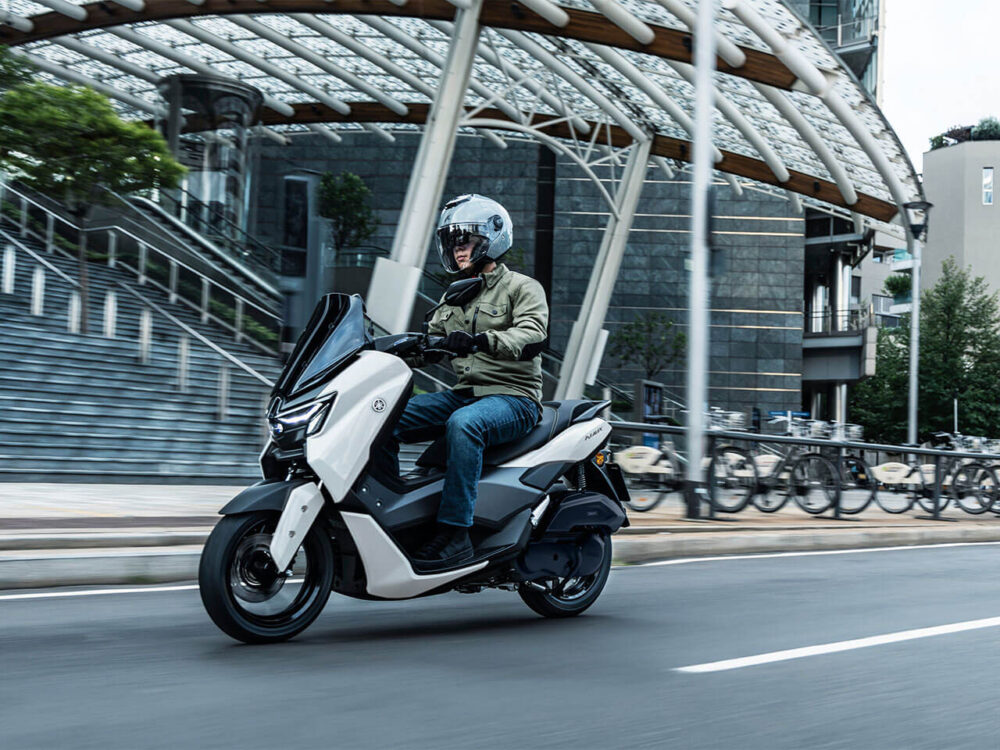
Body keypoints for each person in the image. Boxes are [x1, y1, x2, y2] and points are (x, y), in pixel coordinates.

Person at [386, 194, 548, 568]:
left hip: (513, 398)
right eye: (453, 242)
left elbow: (531, 335)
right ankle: (391, 511)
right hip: (464, 394)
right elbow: (427, 339)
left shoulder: (523, 288)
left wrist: (482, 340)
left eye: (466, 240)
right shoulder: (455, 295)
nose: (458, 249)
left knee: (464, 425)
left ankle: (456, 532)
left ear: (491, 238)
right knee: (381, 417)